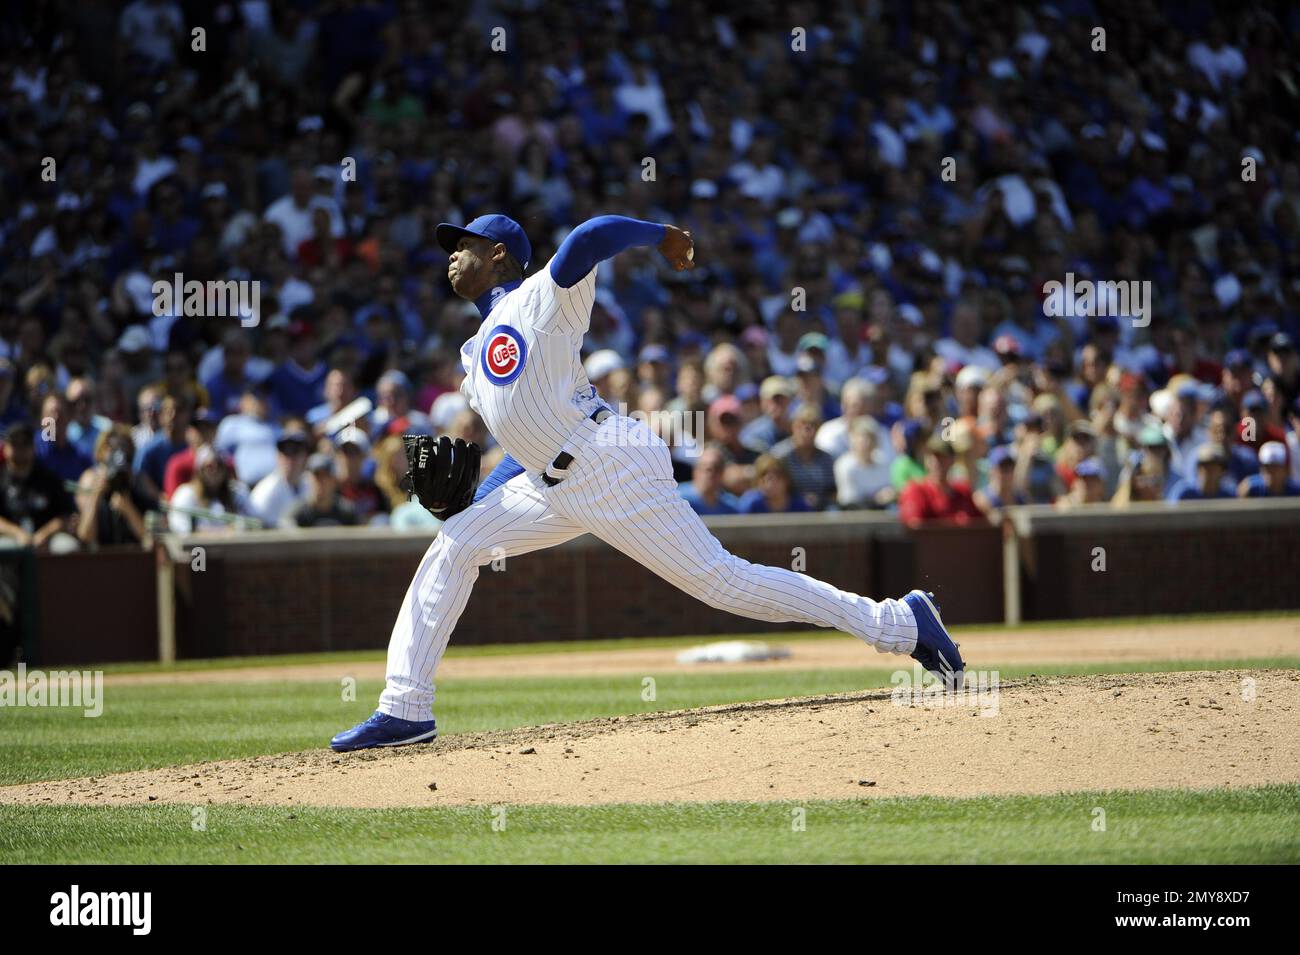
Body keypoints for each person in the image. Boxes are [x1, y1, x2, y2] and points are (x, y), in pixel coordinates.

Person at [332, 213, 962, 751]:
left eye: (463, 245)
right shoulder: (473, 355)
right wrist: (476, 502)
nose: (452, 256)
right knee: (456, 543)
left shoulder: (541, 299)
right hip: (553, 480)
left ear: (498, 255)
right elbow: (524, 448)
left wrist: (662, 235)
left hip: (609, 463)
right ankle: (406, 707)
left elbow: (591, 234)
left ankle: (899, 623)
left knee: (724, 584)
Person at [0, 422, 77, 550]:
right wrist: (18, 533)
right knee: (5, 549)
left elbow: (66, 515)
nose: (20, 449)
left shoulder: (49, 478)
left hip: (47, 537)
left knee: (68, 547)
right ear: (5, 448)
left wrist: (43, 535)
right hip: (10, 537)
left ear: (34, 447)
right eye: (15, 444)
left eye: (25, 444)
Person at [75, 426, 152, 547]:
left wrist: (129, 510)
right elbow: (85, 536)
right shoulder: (90, 479)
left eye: (124, 448)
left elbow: (149, 540)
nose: (119, 453)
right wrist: (96, 496)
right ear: (102, 451)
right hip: (100, 557)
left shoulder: (138, 481)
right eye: (113, 448)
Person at [897, 435, 985, 526]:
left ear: (952, 460)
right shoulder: (915, 490)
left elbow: (979, 524)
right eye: (931, 457)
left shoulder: (963, 491)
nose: (936, 462)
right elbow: (914, 526)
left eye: (942, 457)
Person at [167, 444, 253, 533]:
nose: (215, 471)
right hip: (197, 546)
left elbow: (252, 523)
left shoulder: (237, 492)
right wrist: (222, 532)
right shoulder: (186, 494)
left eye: (219, 465)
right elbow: (181, 529)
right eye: (209, 466)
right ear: (199, 470)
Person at [677, 444, 739, 515]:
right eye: (705, 468)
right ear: (695, 470)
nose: (710, 474)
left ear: (722, 473)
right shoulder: (677, 499)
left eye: (716, 468)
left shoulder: (731, 506)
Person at [737, 453, 809, 514]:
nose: (770, 484)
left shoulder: (801, 507)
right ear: (757, 482)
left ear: (786, 480)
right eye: (764, 479)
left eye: (776, 478)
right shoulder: (750, 504)